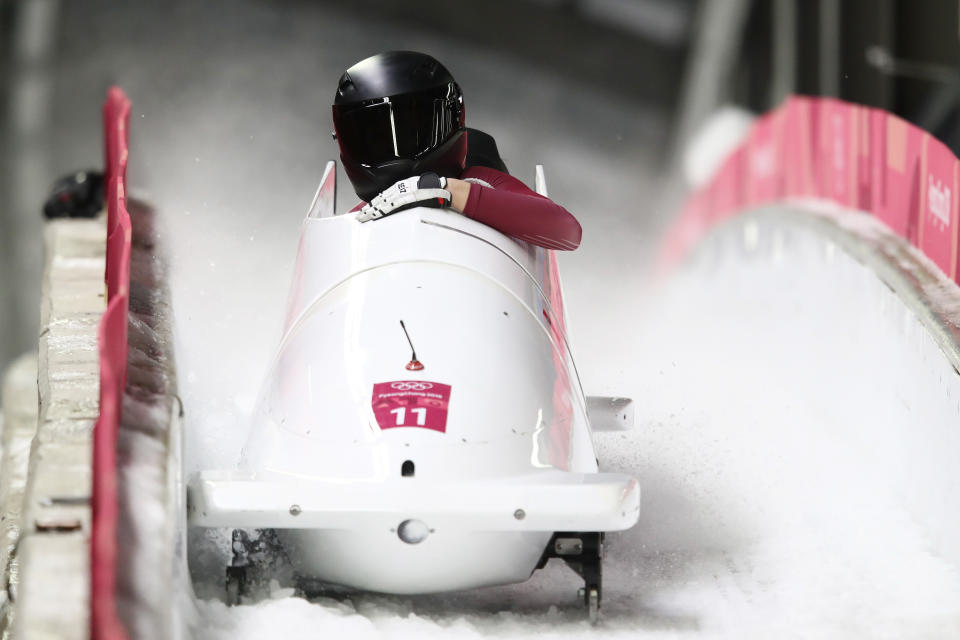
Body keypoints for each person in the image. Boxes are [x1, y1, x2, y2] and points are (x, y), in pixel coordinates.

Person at [331, 51, 581, 251]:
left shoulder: (480, 180)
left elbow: (567, 231)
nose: (395, 148)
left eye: (410, 130)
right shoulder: (360, 217)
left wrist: (444, 190)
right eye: (375, 137)